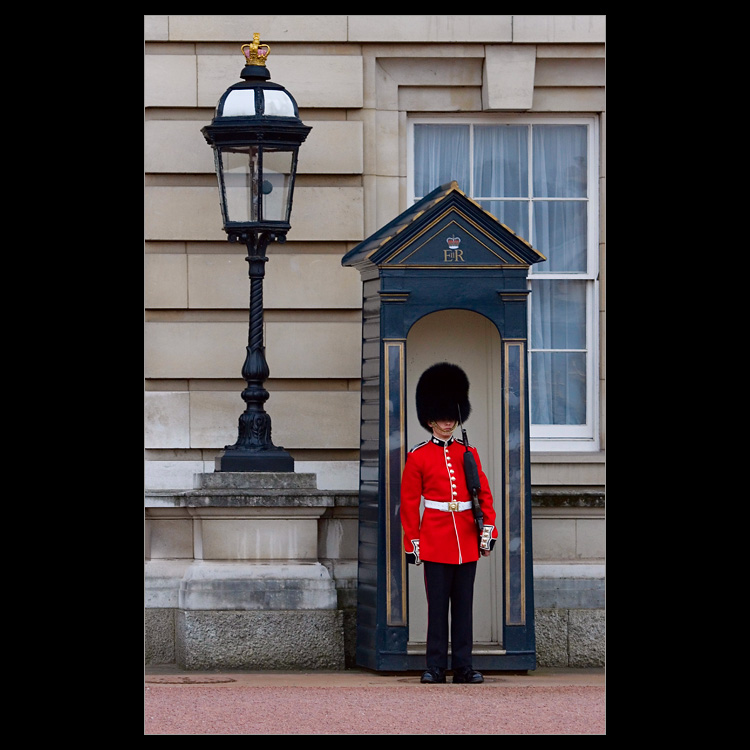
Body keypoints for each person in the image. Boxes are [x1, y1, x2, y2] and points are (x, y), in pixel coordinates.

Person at [400, 362, 498, 684]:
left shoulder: (468, 452)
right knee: (437, 609)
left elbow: (483, 495)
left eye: (451, 416)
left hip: (466, 540)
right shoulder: (418, 457)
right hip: (435, 540)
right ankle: (436, 666)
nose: (447, 422)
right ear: (430, 419)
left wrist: (488, 531)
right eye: (441, 416)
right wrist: (412, 542)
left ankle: (464, 666)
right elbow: (410, 504)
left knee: (464, 609)